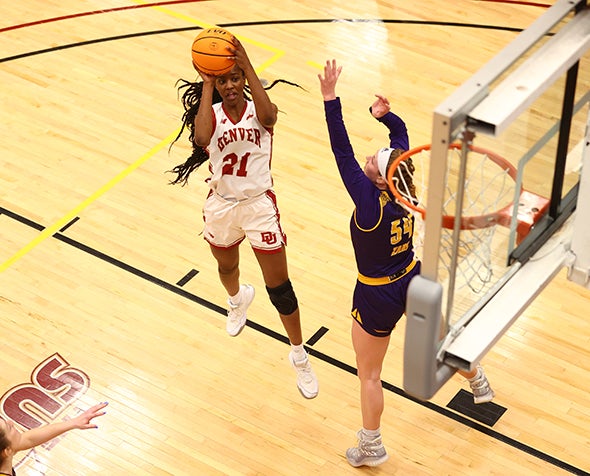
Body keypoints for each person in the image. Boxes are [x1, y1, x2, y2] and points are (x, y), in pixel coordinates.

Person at [318, 59, 494, 467]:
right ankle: (479, 381)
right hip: (411, 277)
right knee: (442, 338)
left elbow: (341, 150)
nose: (367, 158)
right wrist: (387, 117)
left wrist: (330, 98)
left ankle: (372, 446)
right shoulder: (405, 190)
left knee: (369, 374)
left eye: (373, 162)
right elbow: (399, 142)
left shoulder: (368, 201)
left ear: (381, 179)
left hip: (377, 293)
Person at [169, 37, 318, 399]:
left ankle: (300, 355)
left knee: (280, 289)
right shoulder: (211, 116)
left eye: (235, 78)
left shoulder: (259, 111)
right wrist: (208, 82)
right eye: (224, 80)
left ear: (245, 79)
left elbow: (269, 117)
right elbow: (202, 137)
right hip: (222, 206)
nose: (231, 85)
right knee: (226, 268)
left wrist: (247, 64)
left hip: (258, 207)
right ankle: (238, 300)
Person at [0, 402, 107, 475]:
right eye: (9, 428)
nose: (11, 422)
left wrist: (73, 422)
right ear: (7, 451)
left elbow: (28, 439)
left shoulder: (5, 451)